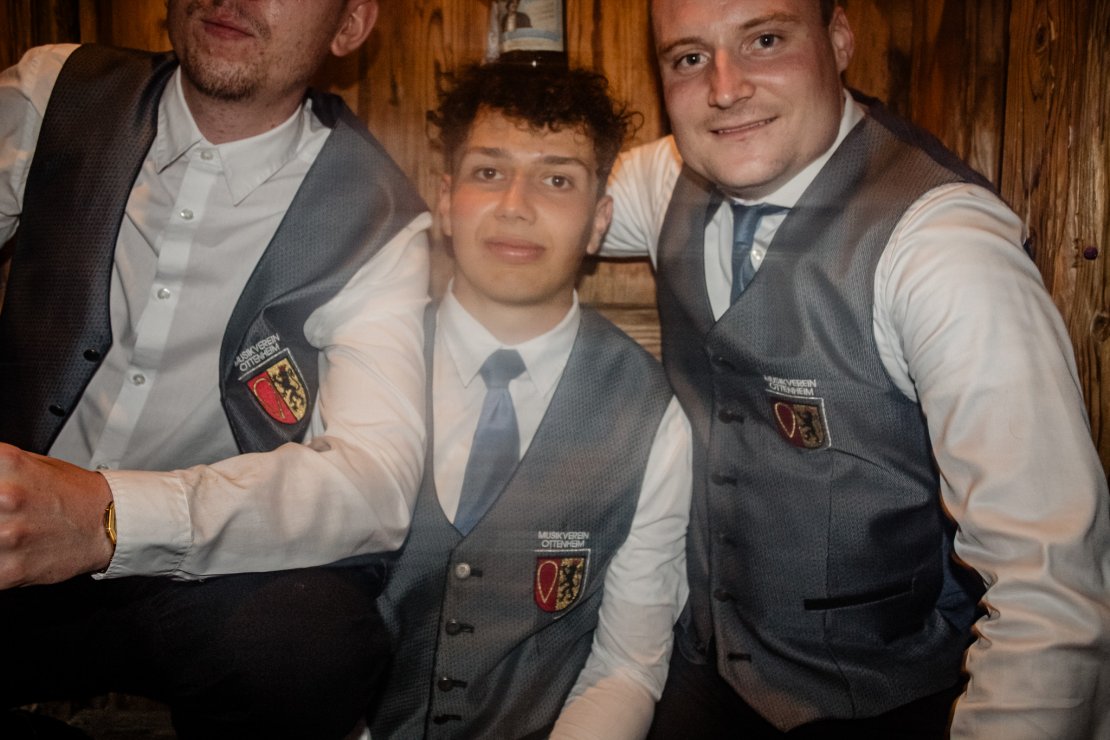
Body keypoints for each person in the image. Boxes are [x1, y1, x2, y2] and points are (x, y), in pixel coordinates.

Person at [602, 0, 1110, 737]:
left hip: (886, 698)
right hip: (697, 670)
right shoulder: (666, 177)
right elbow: (539, 203)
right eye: (689, 57)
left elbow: (1050, 586)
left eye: (765, 39)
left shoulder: (943, 244)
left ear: (839, 40)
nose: (725, 88)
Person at [0, 1, 430, 737]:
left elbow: (375, 479)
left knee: (308, 644)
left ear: (350, 25)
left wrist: (109, 515)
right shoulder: (55, 90)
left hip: (187, 581)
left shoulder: (375, 214)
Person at [367, 62, 692, 739]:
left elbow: (626, 666)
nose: (515, 204)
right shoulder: (364, 361)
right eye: (489, 172)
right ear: (446, 201)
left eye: (557, 180)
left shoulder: (651, 415)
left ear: (599, 222)